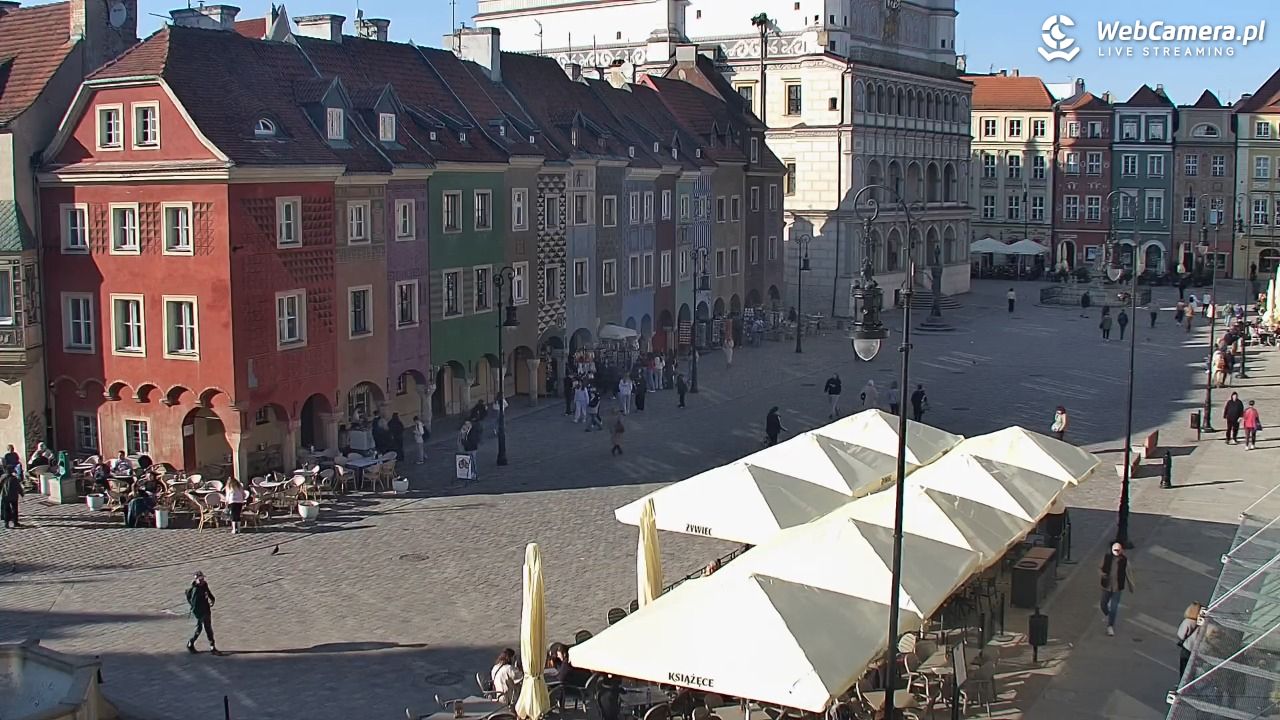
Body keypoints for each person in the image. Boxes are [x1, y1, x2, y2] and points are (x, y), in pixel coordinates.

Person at [1100, 542, 1135, 636]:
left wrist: (1131, 586)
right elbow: (1100, 568)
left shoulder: (1124, 561)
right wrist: (1102, 574)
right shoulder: (1107, 558)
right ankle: (1108, 615)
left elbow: (1129, 574)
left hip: (1117, 588)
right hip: (1107, 586)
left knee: (1114, 607)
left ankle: (1110, 626)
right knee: (1103, 604)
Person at [186, 571, 218, 654]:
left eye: (202, 578)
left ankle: (212, 646)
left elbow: (208, 592)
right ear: (196, 580)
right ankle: (190, 643)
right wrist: (198, 616)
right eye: (199, 579)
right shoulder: (195, 590)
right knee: (199, 629)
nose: (201, 580)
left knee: (208, 628)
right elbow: (194, 605)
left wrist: (212, 598)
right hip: (199, 612)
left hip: (206, 610)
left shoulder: (204, 585)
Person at [1177, 602, 1203, 676]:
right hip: (1197, 650)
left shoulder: (1187, 622)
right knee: (1193, 670)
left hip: (1187, 648)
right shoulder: (1201, 624)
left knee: (1184, 669)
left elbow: (1181, 635)